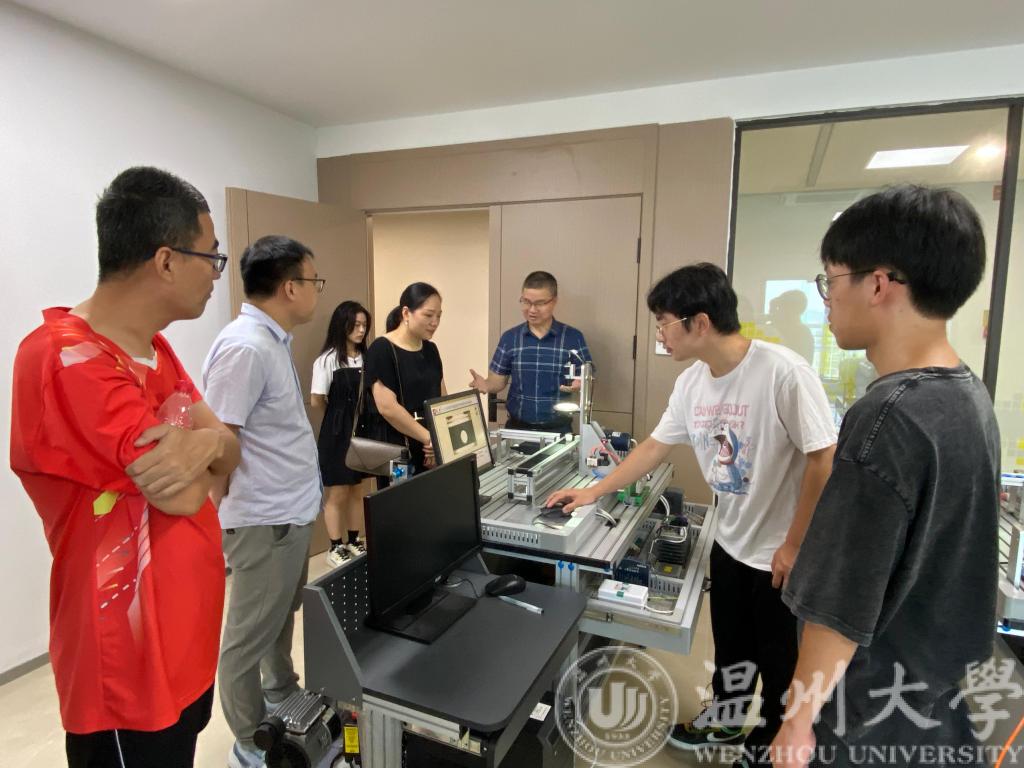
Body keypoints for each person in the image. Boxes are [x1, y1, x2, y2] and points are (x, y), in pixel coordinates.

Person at [547, 263, 836, 761]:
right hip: (730, 541)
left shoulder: (782, 372)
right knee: (732, 648)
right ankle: (725, 721)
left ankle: (769, 748)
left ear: (699, 323)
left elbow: (822, 458)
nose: (659, 334)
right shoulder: (691, 383)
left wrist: (794, 545)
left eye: (664, 322)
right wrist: (595, 491)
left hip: (782, 555)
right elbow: (653, 446)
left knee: (780, 663)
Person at [10, 166, 240, 768]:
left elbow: (230, 450)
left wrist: (204, 446)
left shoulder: (154, 348)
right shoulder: (67, 356)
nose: (216, 274)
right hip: (125, 662)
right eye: (211, 257)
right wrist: (209, 447)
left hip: (185, 636)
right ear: (166, 261)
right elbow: (183, 497)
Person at [770, 186, 999, 768]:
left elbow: (840, 603)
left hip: (868, 713)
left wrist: (798, 721)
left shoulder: (888, 417)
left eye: (830, 280)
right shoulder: (967, 395)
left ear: (877, 284)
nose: (827, 299)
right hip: (933, 700)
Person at [202, 235, 324, 768]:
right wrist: (227, 520)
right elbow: (218, 444)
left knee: (278, 619)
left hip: (288, 514)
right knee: (246, 639)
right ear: (290, 287)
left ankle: (281, 696)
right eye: (314, 281)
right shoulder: (245, 347)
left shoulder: (272, 340)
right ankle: (252, 740)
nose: (317, 290)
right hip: (263, 520)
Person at [469, 271, 591, 432]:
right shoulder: (510, 338)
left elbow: (587, 376)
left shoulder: (572, 337)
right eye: (526, 302)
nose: (532, 310)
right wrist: (485, 384)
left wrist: (581, 383)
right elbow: (498, 381)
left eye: (540, 303)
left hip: (558, 430)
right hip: (517, 429)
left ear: (554, 301)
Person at [311, 300, 373, 568]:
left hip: (363, 431)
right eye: (355, 325)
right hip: (336, 434)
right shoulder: (326, 360)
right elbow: (316, 400)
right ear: (342, 325)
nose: (361, 330)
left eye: (364, 325)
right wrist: (339, 416)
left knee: (358, 489)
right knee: (337, 492)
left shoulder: (367, 357)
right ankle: (335, 545)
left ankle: (355, 539)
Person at [363, 282, 446, 477]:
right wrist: (429, 438)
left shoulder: (431, 350)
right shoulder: (382, 349)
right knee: (403, 496)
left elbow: (441, 397)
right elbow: (387, 408)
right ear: (406, 313)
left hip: (431, 448)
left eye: (439, 316)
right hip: (399, 450)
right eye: (428, 315)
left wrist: (439, 439)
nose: (435, 322)